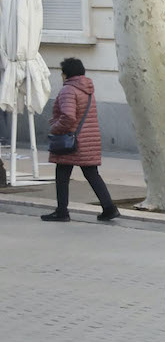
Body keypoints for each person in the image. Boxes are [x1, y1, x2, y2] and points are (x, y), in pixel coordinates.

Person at [42, 57, 119, 222]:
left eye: (62, 73)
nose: (61, 76)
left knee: (62, 174)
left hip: (71, 140)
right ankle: (109, 208)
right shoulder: (87, 88)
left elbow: (68, 117)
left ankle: (62, 211)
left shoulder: (68, 90)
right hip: (88, 139)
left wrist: (55, 127)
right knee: (92, 174)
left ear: (66, 74)